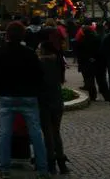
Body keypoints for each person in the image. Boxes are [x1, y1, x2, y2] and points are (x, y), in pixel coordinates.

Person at [0, 22, 49, 179]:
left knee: (5, 134)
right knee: (36, 134)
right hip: (28, 97)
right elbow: (40, 74)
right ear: (22, 35)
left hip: (6, 96)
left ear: (7, 35)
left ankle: (4, 168)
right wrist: (36, 90)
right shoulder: (29, 53)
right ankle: (43, 169)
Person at [37, 40, 70, 175]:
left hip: (44, 101)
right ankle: (61, 162)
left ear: (44, 50)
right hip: (57, 100)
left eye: (39, 48)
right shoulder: (58, 61)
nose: (38, 50)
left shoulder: (40, 63)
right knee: (56, 132)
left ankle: (51, 163)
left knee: (47, 133)